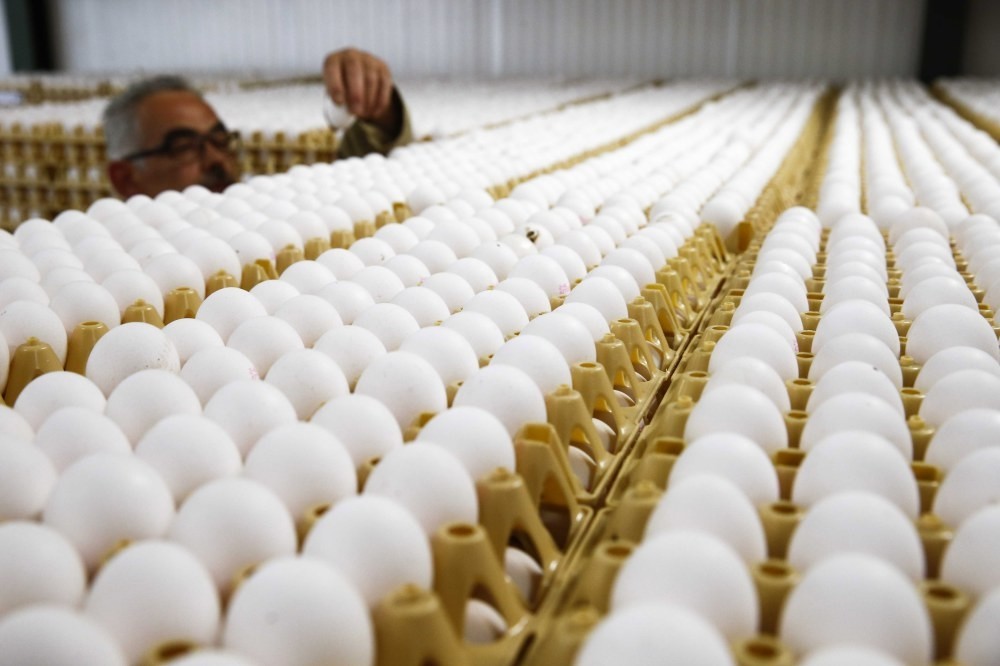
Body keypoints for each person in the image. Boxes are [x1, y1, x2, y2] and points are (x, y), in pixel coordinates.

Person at [103, 47, 412, 198]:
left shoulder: (264, 227)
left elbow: (356, 180)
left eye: (220, 140)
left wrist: (379, 112)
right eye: (183, 147)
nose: (215, 159)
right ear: (125, 178)